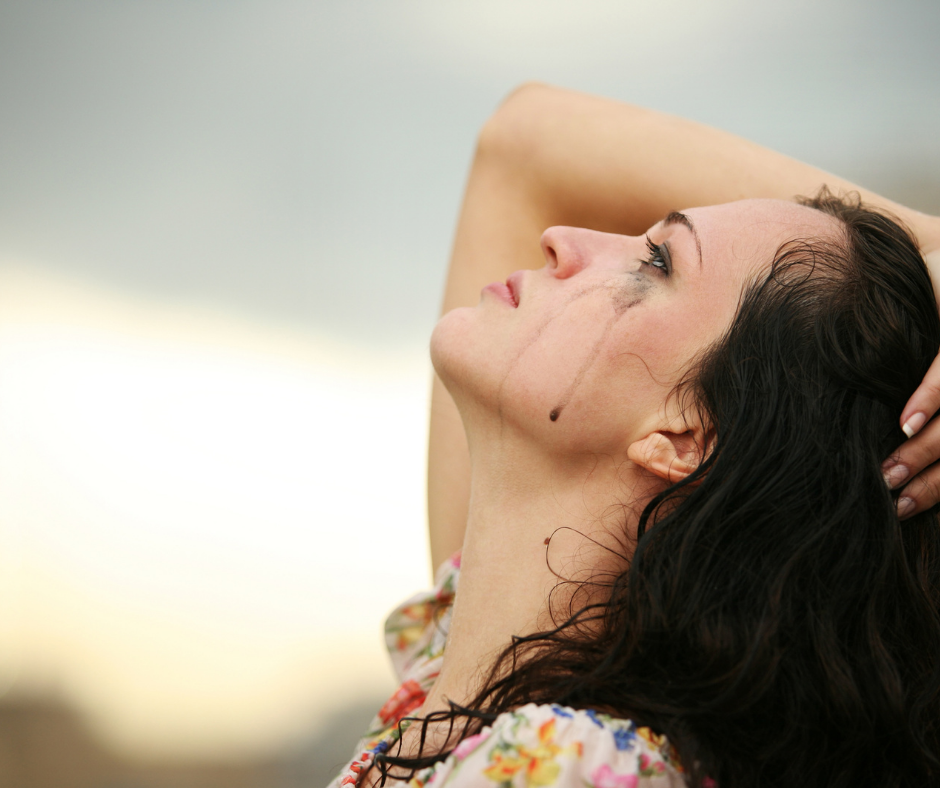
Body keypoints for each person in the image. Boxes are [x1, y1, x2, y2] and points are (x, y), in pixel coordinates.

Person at [329, 84, 940, 788]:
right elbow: (523, 143)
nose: (561, 239)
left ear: (684, 436)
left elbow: (525, 147)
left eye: (657, 263)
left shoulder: (568, 761)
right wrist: (930, 240)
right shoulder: (464, 672)